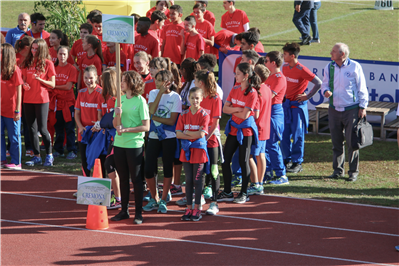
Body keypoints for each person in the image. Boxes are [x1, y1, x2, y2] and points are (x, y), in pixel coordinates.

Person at [321, 43, 368, 182]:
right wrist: (325, 91)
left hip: (351, 109)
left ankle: (353, 172)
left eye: (334, 51)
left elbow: (362, 87)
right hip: (334, 109)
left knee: (352, 142)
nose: (331, 53)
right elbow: (324, 84)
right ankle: (338, 170)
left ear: (342, 54)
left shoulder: (355, 66)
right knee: (336, 142)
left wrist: (363, 107)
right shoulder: (329, 67)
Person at [111, 70, 150, 224]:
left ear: (132, 83)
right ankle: (124, 210)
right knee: (123, 178)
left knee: (136, 179)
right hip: (119, 143)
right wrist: (117, 114)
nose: (121, 83)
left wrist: (127, 130)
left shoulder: (140, 101)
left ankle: (138, 213)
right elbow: (115, 124)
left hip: (135, 144)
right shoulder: (119, 100)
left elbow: (146, 126)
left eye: (124, 80)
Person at [219, 63, 260, 204]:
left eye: (238, 73)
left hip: (245, 131)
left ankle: (244, 193)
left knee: (244, 161)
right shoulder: (235, 88)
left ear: (245, 76)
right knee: (225, 160)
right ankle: (227, 191)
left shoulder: (253, 93)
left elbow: (244, 116)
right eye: (235, 73)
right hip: (233, 129)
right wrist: (238, 108)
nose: (235, 76)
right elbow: (224, 109)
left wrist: (234, 109)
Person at [143, 70, 182, 214]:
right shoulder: (154, 93)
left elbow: (172, 120)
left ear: (168, 83)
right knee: (148, 168)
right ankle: (154, 198)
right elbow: (151, 110)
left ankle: (164, 199)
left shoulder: (176, 97)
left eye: (160, 80)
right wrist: (160, 92)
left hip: (169, 136)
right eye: (156, 79)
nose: (156, 82)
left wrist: (154, 118)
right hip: (153, 135)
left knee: (167, 167)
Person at [281, 42, 321, 176]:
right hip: (286, 105)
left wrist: (307, 96)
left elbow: (318, 83)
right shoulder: (285, 67)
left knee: (297, 134)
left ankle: (297, 162)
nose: (283, 56)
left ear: (292, 56)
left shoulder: (302, 69)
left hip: (297, 106)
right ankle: (286, 159)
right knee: (284, 134)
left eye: (285, 54)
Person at [176, 87, 210, 221]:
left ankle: (197, 208)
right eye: (192, 98)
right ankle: (189, 208)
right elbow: (178, 134)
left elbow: (202, 134)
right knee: (188, 180)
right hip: (186, 151)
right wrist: (193, 135)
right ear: (188, 99)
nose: (195, 100)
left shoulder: (204, 115)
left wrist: (187, 134)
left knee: (197, 180)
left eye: (197, 98)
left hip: (199, 152)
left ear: (201, 99)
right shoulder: (183, 114)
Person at [21, 38, 55, 166]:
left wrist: (41, 80)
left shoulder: (48, 64)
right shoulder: (27, 62)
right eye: (33, 48)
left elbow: (52, 84)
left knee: (43, 129)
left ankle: (49, 155)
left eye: (36, 49)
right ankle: (36, 156)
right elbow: (23, 80)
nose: (34, 51)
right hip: (28, 99)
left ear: (42, 50)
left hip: (42, 100)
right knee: (31, 128)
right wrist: (24, 84)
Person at [194, 70, 222, 215]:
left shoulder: (216, 98)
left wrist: (205, 137)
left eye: (195, 80)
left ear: (201, 83)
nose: (193, 83)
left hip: (210, 140)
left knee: (214, 171)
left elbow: (215, 122)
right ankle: (199, 200)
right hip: (199, 139)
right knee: (200, 170)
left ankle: (215, 203)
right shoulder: (197, 97)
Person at [247, 64, 272, 195]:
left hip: (256, 127)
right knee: (261, 155)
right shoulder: (267, 88)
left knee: (249, 156)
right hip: (265, 126)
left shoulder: (257, 91)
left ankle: (255, 183)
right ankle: (260, 183)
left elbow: (255, 113)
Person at [75, 65, 103, 177]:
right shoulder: (81, 93)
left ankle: (101, 188)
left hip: (97, 133)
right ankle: (85, 187)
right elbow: (77, 113)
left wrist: (98, 127)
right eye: (85, 78)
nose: (88, 81)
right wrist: (80, 127)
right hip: (83, 133)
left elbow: (102, 114)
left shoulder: (101, 93)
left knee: (99, 161)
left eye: (91, 78)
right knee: (84, 161)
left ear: (96, 77)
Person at [263, 51, 287, 184]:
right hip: (266, 111)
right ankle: (268, 172)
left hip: (274, 112)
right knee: (265, 144)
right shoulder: (269, 76)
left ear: (273, 63)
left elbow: (269, 96)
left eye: (266, 61)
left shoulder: (279, 78)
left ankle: (281, 174)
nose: (264, 63)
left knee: (271, 144)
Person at [0, 43, 23, 169]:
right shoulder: (0, 69)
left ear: (6, 55)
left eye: (0, 53)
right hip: (1, 108)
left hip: (12, 110)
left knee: (14, 136)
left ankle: (16, 162)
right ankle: (2, 159)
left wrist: (17, 110)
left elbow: (19, 91)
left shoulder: (15, 70)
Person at [53, 46, 78, 159]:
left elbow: (68, 87)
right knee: (58, 127)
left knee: (69, 128)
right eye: (60, 54)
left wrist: (53, 86)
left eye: (64, 54)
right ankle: (58, 150)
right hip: (56, 103)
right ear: (57, 55)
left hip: (68, 103)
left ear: (68, 56)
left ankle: (72, 150)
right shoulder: (53, 68)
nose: (62, 56)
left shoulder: (72, 69)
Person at [14, 36, 35, 157]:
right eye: (32, 48)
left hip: (28, 96)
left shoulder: (31, 58)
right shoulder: (16, 58)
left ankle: (29, 147)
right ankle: (10, 148)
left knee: (28, 123)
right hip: (16, 96)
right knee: (14, 122)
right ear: (27, 47)